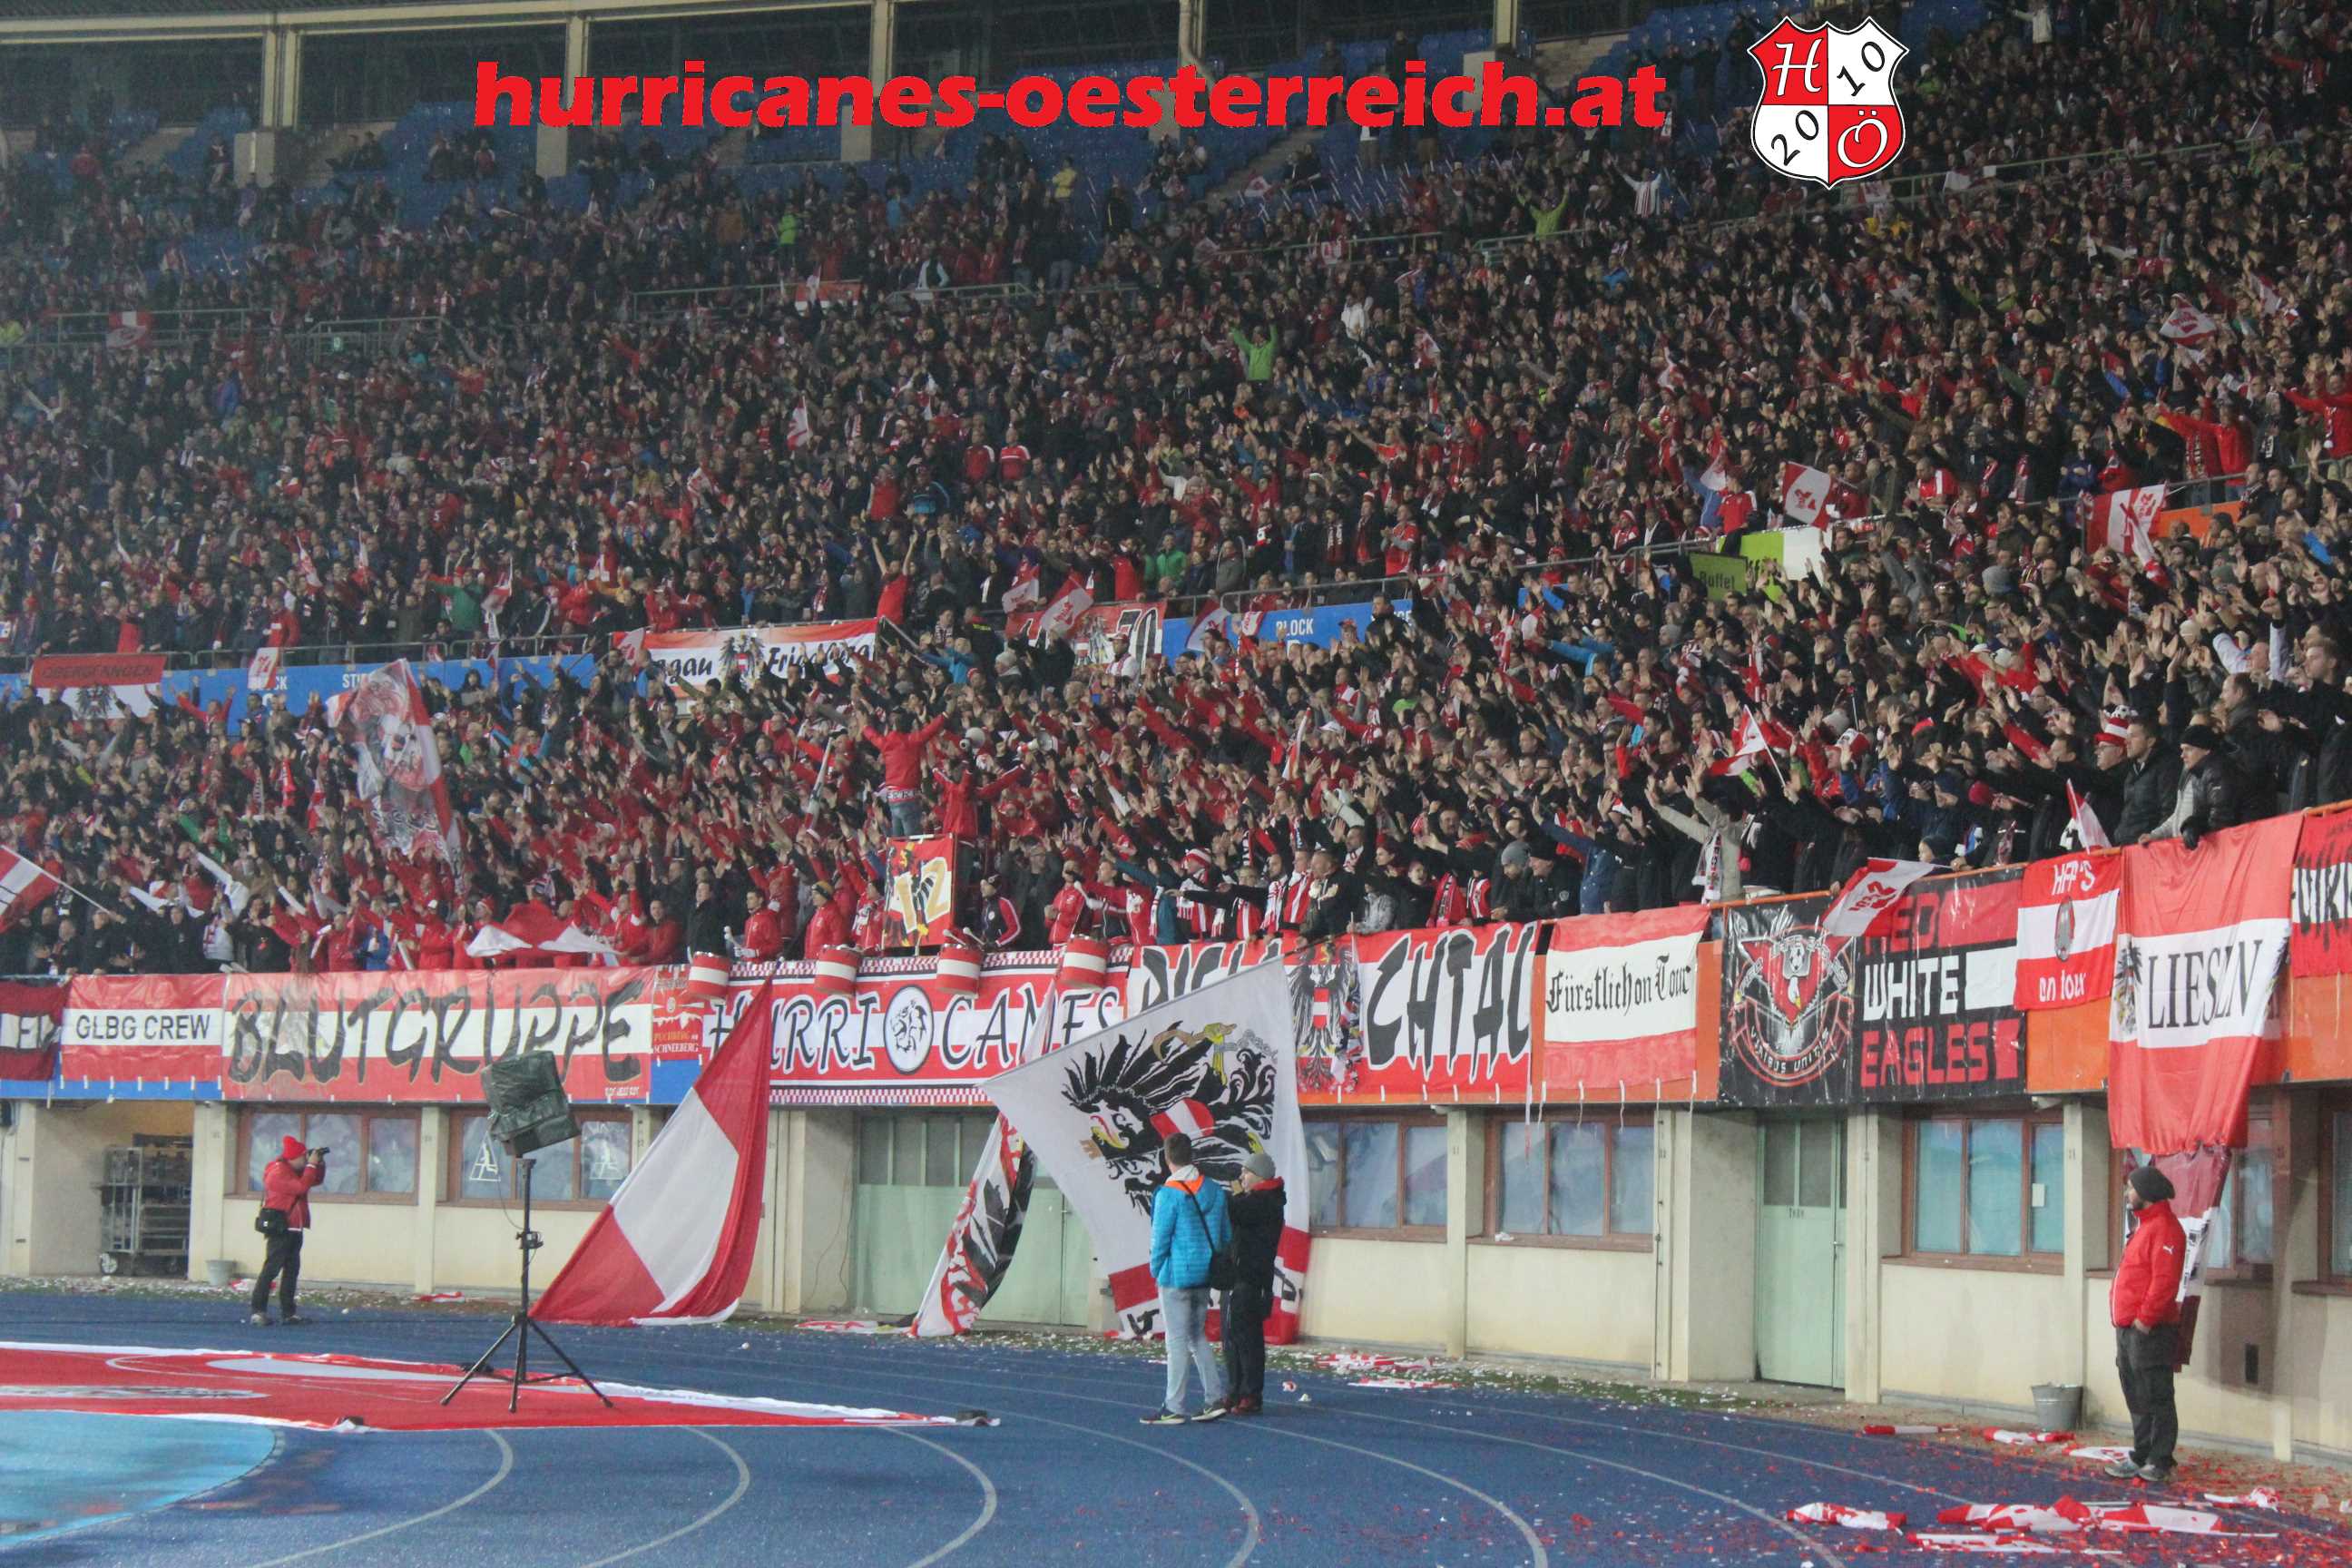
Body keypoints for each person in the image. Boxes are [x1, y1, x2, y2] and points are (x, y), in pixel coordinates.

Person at [1142, 1132, 1230, 1425]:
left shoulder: (1168, 1194)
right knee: (1197, 1336)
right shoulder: (1215, 1191)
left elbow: (1160, 1239)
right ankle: (1214, 1398)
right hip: (1205, 1274)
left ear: (1167, 1159)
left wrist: (1156, 1270)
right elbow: (1225, 1236)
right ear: (1192, 1156)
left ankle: (1174, 1406)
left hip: (1176, 1276)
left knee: (1177, 1341)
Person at [2107, 1162, 2187, 1483]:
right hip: (2128, 1329)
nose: (2128, 1193)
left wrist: (2144, 1321)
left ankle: (2160, 1459)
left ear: (2147, 1193)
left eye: (2132, 1188)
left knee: (2156, 1395)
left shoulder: (2166, 1229)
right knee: (2136, 1395)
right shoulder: (2145, 1226)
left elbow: (2164, 1282)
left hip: (2150, 1331)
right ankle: (2141, 1454)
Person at [1219, 1151, 1286, 1416]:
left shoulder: (1267, 1202)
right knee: (1231, 1337)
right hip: (1238, 1278)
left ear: (1259, 1177)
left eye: (1246, 1173)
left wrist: (1221, 1191)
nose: (1241, 1177)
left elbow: (1236, 1210)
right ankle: (1236, 1390)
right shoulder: (1256, 1200)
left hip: (1251, 1279)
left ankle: (1250, 1393)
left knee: (1247, 1339)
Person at [250, 1136, 326, 1327]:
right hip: (281, 1228)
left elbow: (315, 1180)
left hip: (295, 1227)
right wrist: (311, 1165)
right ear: (294, 1157)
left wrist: (319, 1163)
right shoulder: (278, 1173)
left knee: (291, 1271)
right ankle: (258, 1311)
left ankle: (288, 1313)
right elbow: (301, 1187)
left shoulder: (292, 1170)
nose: (306, 1159)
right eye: (303, 1156)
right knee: (271, 1269)